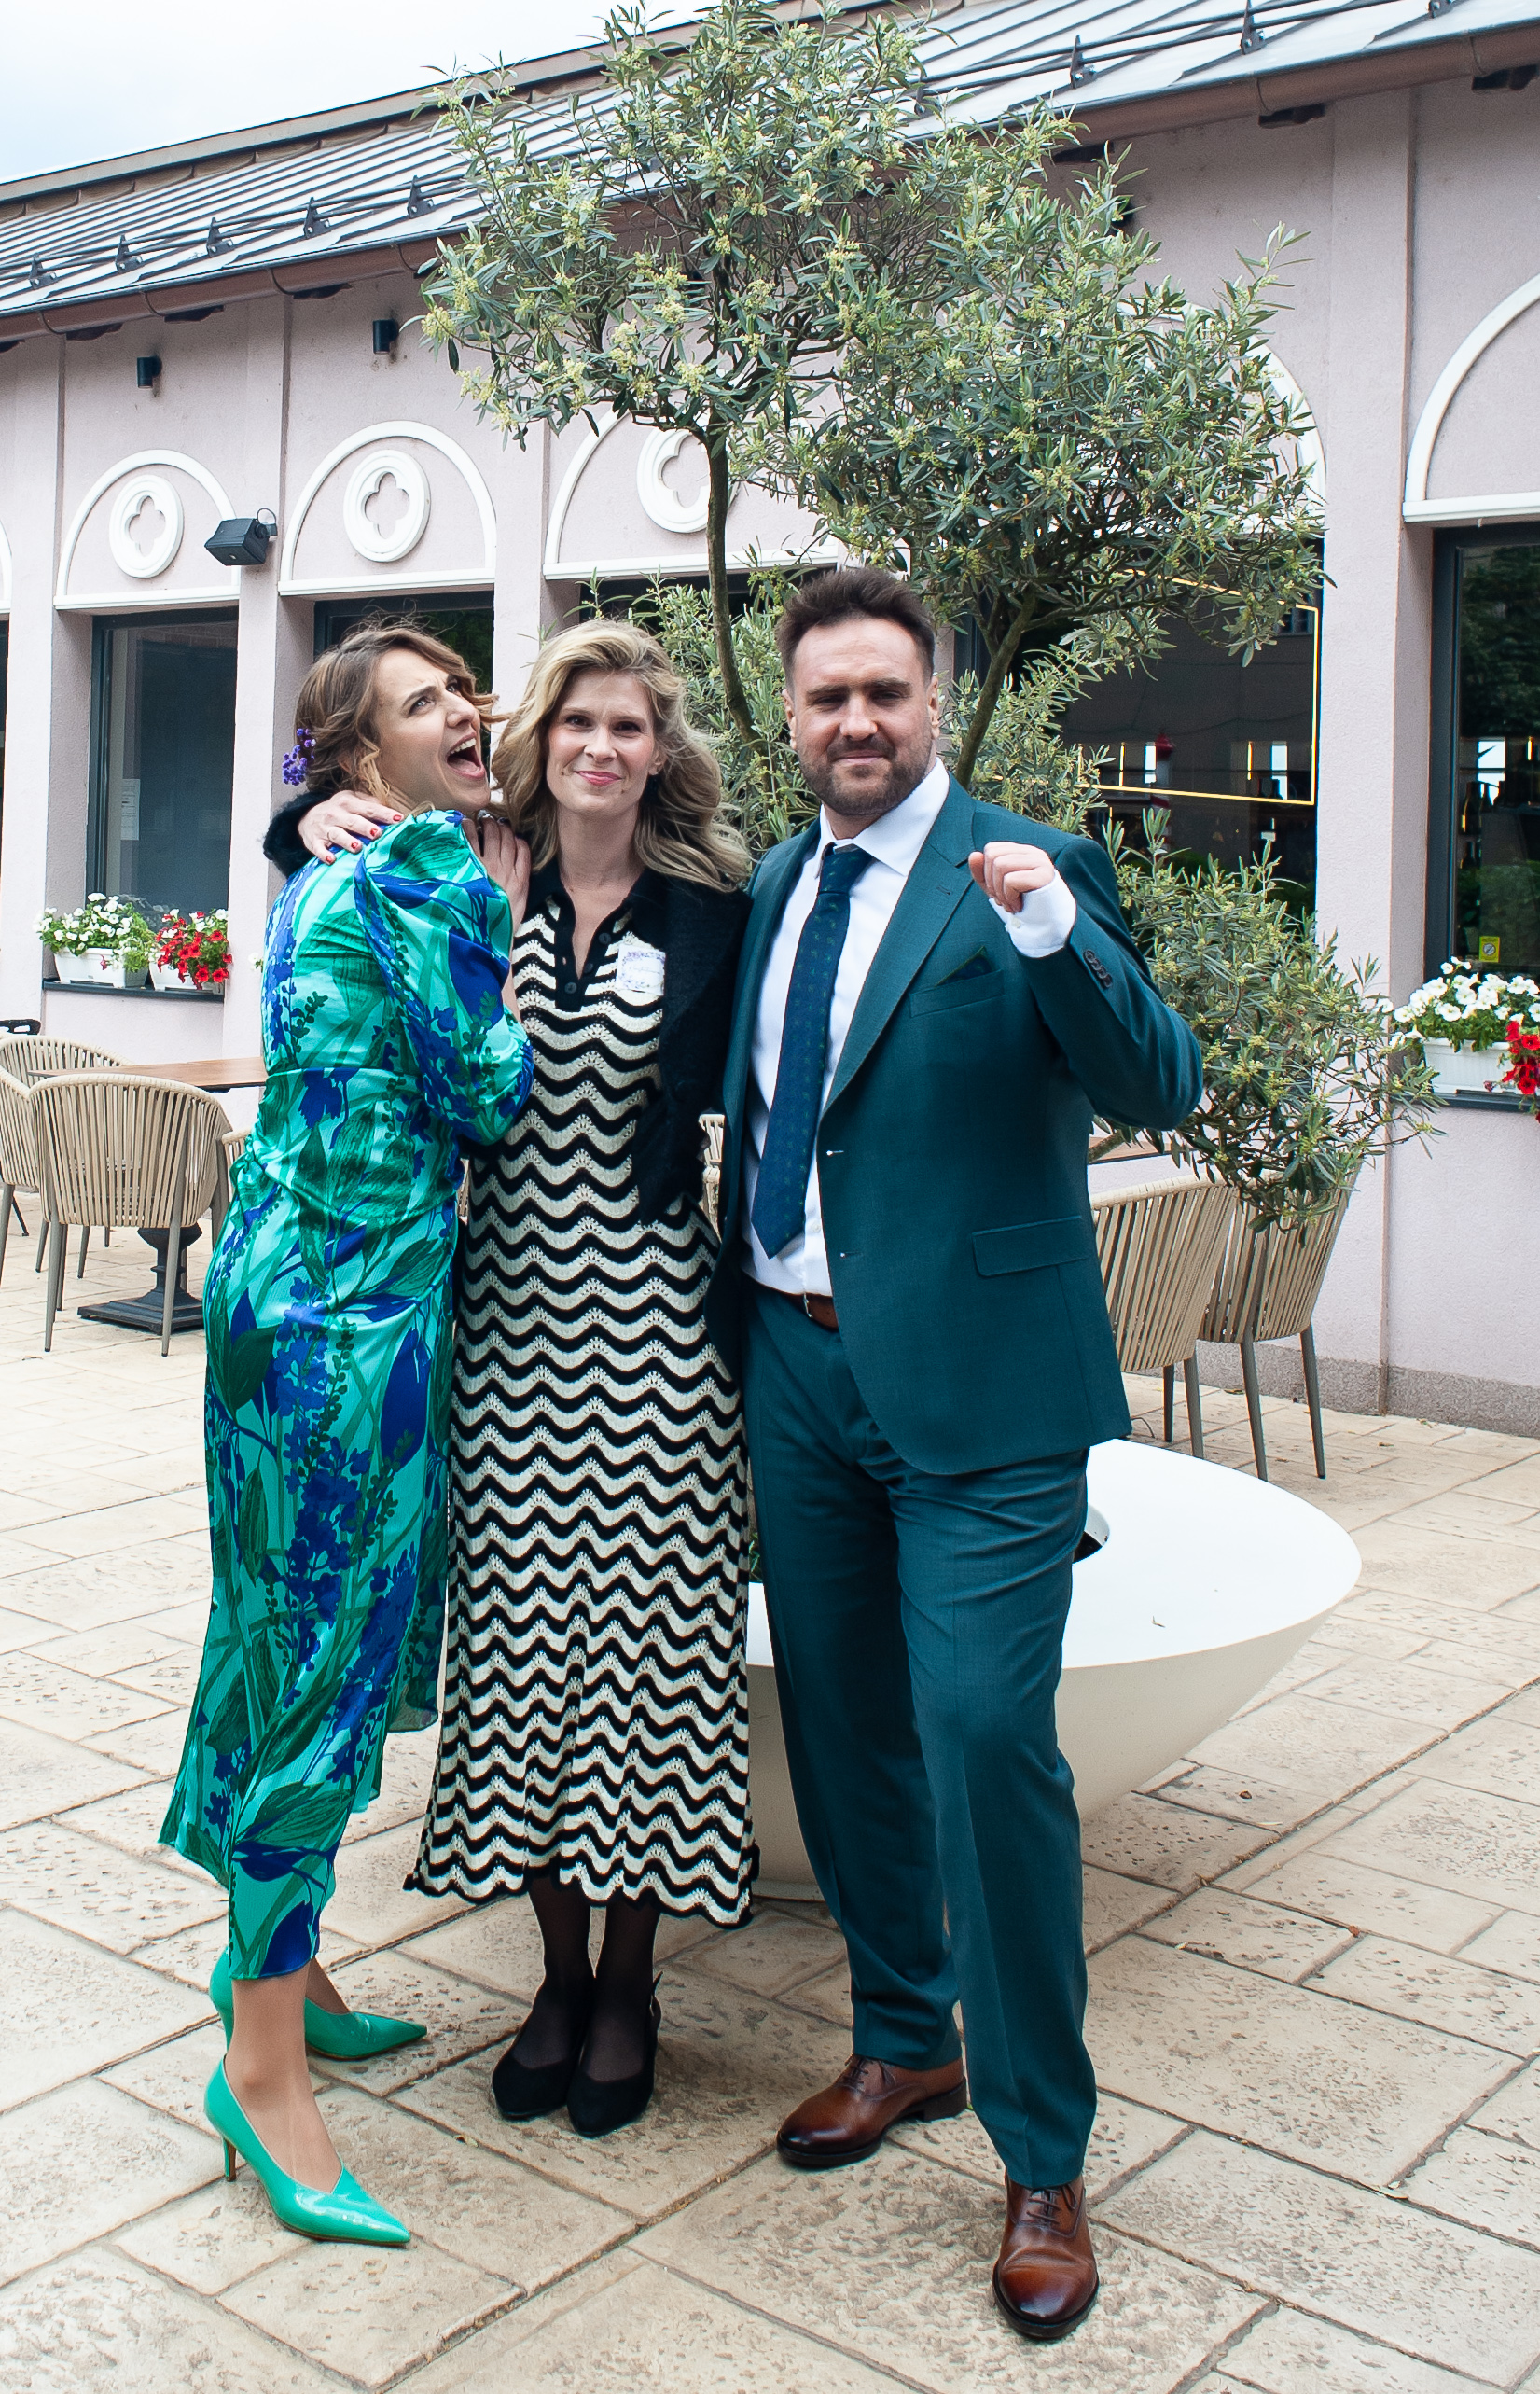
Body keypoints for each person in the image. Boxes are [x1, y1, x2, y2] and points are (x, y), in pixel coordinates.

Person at [704, 568, 1201, 2343]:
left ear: (936, 699)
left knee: (988, 1738)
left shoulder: (1030, 867)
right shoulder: (778, 880)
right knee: (844, 1726)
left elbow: (1160, 1081)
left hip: (987, 1394)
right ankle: (904, 2034)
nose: (857, 721)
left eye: (886, 693)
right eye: (827, 696)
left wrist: (1060, 936)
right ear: (791, 716)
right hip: (797, 1366)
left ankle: (1043, 2154)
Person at [270, 617, 753, 2139]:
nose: (602, 747)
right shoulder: (471, 868)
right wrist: (295, 819)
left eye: (630, 726)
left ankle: (632, 1985)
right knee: (522, 1659)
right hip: (500, 1326)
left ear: (660, 753)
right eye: (578, 722)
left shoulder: (713, 907)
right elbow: (339, 886)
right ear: (542, 737)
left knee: (652, 1664)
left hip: (661, 1331)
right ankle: (554, 1976)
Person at [161, 624, 534, 2244]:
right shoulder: (434, 870)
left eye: (461, 690)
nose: (462, 712)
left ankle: (287, 1978)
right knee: (323, 1666)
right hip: (355, 1319)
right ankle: (260, 2072)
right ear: (360, 755)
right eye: (421, 702)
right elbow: (489, 1094)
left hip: (262, 1296)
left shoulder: (318, 871)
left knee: (262, 1633)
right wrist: (501, 926)